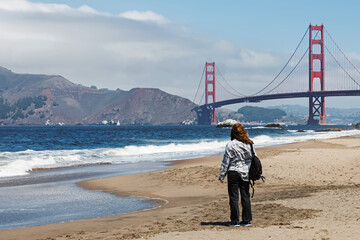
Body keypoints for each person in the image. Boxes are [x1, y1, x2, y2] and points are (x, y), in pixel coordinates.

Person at [218, 123, 255, 227]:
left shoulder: (230, 145)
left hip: (233, 172)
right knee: (245, 196)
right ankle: (246, 221)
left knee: (234, 197)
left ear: (233, 132)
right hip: (246, 172)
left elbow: (226, 161)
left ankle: (235, 221)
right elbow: (254, 157)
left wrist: (222, 175)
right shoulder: (250, 143)